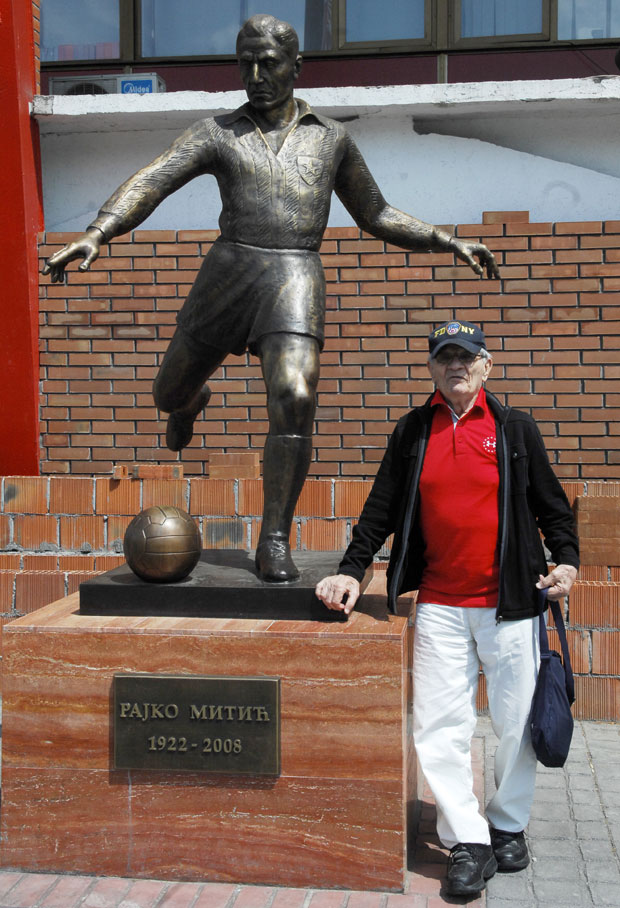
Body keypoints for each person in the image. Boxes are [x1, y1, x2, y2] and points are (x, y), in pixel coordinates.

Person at [43, 15, 499, 584]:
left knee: (295, 395)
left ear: (296, 66)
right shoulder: (217, 132)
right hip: (230, 270)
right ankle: (189, 403)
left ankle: (275, 537)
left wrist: (446, 240)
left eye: (268, 63)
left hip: (295, 273)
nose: (256, 76)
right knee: (167, 393)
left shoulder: (330, 138)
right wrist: (98, 232)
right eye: (246, 64)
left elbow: (376, 212)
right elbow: (153, 179)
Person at [315, 319, 579, 898]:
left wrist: (567, 562)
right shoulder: (413, 431)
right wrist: (351, 570)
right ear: (432, 367)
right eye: (445, 357)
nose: (455, 366)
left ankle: (507, 825)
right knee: (438, 726)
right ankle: (467, 840)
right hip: (439, 604)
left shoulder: (513, 428)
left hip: (512, 604)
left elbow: (553, 507)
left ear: (486, 365)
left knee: (516, 723)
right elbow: (381, 507)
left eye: (466, 356)